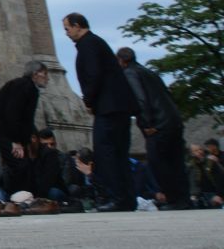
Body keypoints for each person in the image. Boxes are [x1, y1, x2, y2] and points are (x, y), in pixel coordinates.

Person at [63, 12, 136, 211]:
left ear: (78, 26)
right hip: (117, 107)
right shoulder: (95, 43)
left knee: (106, 153)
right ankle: (127, 198)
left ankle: (116, 198)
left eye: (67, 28)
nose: (67, 33)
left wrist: (89, 100)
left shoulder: (89, 44)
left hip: (108, 107)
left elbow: (93, 75)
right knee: (119, 153)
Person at [117, 47, 187, 208]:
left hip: (158, 124)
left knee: (159, 163)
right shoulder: (149, 73)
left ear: (121, 60)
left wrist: (147, 124)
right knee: (176, 162)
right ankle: (183, 199)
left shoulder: (130, 73)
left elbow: (140, 99)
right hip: (173, 120)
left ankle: (174, 199)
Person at [0, 60, 49, 194]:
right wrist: (15, 142)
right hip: (1, 132)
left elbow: (25, 120)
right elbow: (12, 113)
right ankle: (20, 199)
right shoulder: (25, 86)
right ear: (35, 74)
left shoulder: (25, 86)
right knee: (20, 164)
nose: (47, 78)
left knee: (23, 165)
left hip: (6, 133)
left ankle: (25, 197)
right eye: (45, 74)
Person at [188, 142, 223, 208]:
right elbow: (192, 181)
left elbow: (220, 179)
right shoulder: (191, 165)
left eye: (200, 149)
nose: (199, 152)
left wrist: (219, 195)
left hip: (214, 194)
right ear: (192, 153)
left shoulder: (211, 162)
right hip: (199, 195)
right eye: (196, 150)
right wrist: (193, 195)